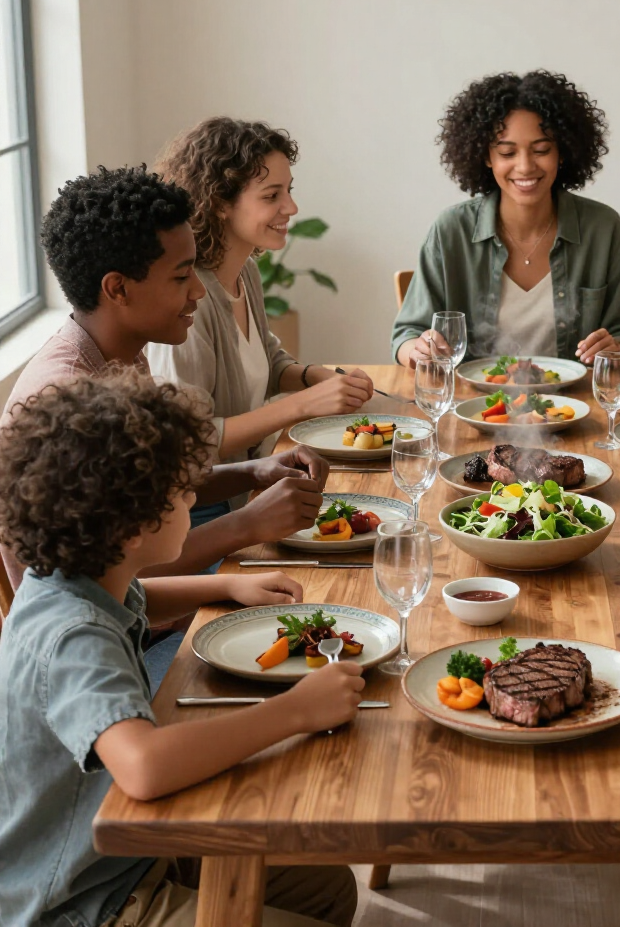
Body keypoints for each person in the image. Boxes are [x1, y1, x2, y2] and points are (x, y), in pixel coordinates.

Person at [0, 371, 363, 927]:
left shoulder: (71, 581)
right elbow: (144, 766)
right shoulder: (73, 638)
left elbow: (140, 596)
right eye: (179, 492)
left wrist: (224, 585)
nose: (194, 496)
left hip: (124, 855)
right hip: (82, 901)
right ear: (129, 528)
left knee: (326, 888)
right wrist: (294, 710)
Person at [1, 166, 328, 589]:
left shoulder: (119, 354)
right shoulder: (70, 399)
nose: (197, 290)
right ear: (118, 289)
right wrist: (245, 524)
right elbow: (125, 579)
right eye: (181, 275)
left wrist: (254, 472)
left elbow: (147, 489)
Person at [148, 117, 373, 493]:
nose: (292, 207)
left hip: (255, 487)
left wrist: (317, 377)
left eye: (288, 190)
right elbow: (190, 440)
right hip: (213, 512)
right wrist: (303, 405)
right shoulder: (191, 301)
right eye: (272, 196)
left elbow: (267, 359)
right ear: (220, 203)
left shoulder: (245, 271)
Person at [392, 70, 620, 366]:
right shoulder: (451, 231)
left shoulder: (603, 229)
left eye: (541, 150)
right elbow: (406, 334)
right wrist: (418, 349)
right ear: (487, 157)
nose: (525, 166)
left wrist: (617, 346)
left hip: (575, 407)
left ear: (562, 152)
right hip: (472, 408)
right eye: (507, 152)